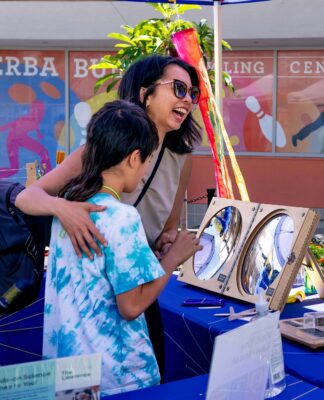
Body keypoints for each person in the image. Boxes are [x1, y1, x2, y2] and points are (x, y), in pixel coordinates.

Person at [16, 55, 202, 379]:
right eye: (178, 88)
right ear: (146, 93)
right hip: (108, 296)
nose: (187, 99)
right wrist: (64, 209)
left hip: (137, 282)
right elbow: (27, 197)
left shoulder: (181, 159)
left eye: (192, 93)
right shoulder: (101, 149)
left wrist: (166, 244)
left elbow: (167, 228)